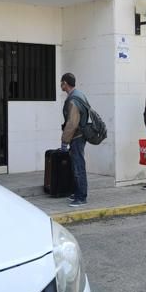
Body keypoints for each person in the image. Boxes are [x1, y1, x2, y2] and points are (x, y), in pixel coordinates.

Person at [61, 73, 91, 207]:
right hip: (80, 135)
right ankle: (77, 192)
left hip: (77, 136)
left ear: (65, 83)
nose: (60, 85)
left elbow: (72, 123)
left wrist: (64, 141)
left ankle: (81, 197)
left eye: (61, 82)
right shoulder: (79, 94)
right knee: (77, 165)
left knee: (78, 166)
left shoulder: (73, 100)